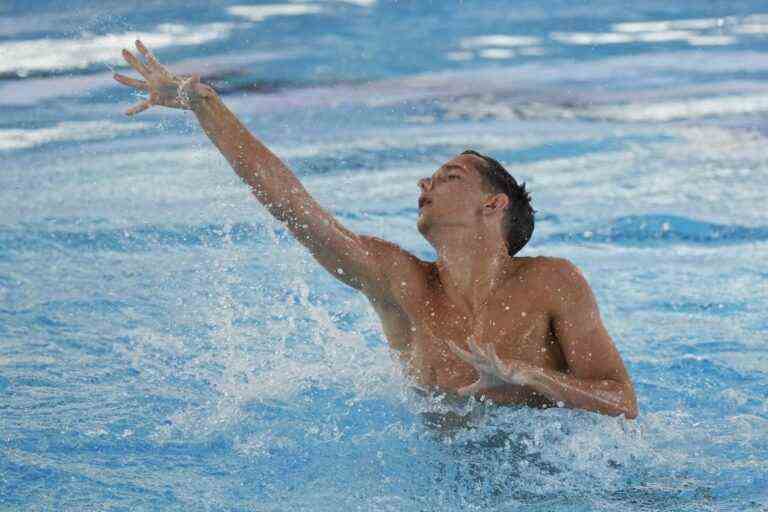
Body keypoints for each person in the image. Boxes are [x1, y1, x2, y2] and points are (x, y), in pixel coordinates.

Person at [114, 40, 638, 419]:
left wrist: (530, 379)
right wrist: (204, 104)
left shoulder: (552, 282)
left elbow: (622, 400)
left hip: (556, 474)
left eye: (448, 175)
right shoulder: (398, 280)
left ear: (493, 204)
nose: (425, 182)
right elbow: (293, 205)